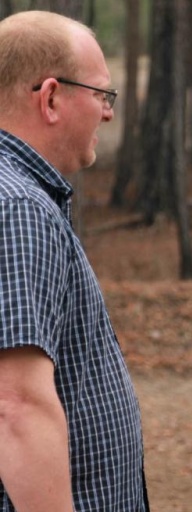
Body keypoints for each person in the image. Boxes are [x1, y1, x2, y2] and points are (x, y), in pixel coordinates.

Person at [0, 10, 148, 512]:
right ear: (50, 97)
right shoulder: (19, 208)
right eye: (101, 94)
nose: (108, 112)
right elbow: (16, 407)